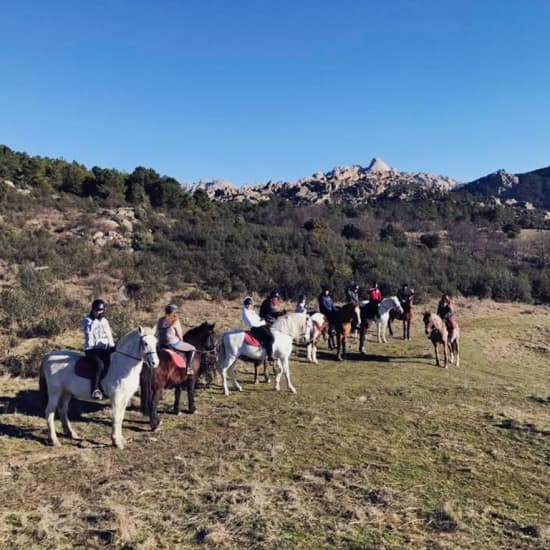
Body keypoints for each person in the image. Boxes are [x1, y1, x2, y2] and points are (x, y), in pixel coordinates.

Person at [83, 298, 115, 400]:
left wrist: (112, 346)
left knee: (114, 361)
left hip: (104, 348)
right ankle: (95, 389)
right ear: (93, 310)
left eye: (100, 311)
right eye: (96, 311)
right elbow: (89, 335)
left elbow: (109, 334)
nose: (98, 313)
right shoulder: (87, 320)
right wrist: (94, 321)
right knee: (99, 365)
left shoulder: (105, 321)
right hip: (92, 349)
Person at [156, 304, 196, 375]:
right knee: (192, 349)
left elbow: (158, 331)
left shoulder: (160, 320)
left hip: (161, 343)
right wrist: (181, 341)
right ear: (173, 312)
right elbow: (179, 334)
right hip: (172, 343)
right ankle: (189, 368)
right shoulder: (175, 320)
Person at [241, 296, 275, 361]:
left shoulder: (251, 311)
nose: (249, 306)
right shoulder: (245, 313)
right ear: (246, 305)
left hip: (259, 325)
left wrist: (262, 320)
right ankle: (270, 355)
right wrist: (262, 323)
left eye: (250, 304)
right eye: (248, 304)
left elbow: (257, 318)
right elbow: (251, 323)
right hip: (256, 328)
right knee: (270, 337)